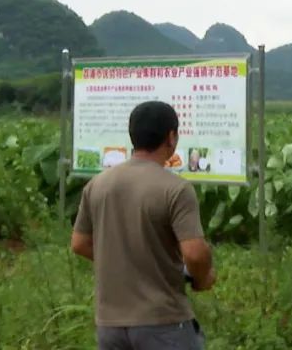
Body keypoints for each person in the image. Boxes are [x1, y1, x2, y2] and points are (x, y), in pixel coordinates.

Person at [71, 100, 217, 349]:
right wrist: (203, 278)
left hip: (109, 324)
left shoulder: (98, 184)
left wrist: (122, 260)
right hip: (163, 323)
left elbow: (79, 243)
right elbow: (194, 253)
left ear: (133, 136)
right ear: (171, 137)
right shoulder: (176, 189)